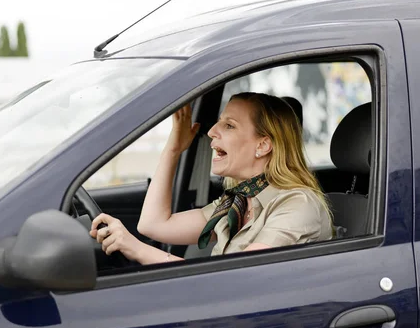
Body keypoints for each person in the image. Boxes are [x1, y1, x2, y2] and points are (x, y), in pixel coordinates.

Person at [90, 92, 333, 265]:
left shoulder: (297, 204)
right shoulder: (237, 202)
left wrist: (137, 248)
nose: (211, 132)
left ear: (263, 145)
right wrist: (173, 150)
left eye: (229, 126)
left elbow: (233, 279)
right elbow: (152, 225)